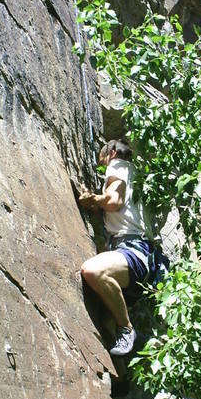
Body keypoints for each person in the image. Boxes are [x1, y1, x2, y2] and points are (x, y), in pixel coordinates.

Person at [79, 139, 154, 356]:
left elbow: (114, 201)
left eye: (102, 159)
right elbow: (120, 211)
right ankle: (120, 383)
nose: (103, 166)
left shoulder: (118, 166)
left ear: (112, 153)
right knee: (104, 320)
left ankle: (127, 328)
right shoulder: (137, 176)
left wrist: (94, 197)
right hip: (140, 257)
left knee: (93, 271)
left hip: (132, 250)